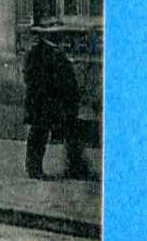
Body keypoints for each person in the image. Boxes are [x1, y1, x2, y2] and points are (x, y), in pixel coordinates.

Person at [23, 31, 96, 180]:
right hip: (46, 101)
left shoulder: (42, 52)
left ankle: (74, 167)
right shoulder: (49, 54)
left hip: (47, 101)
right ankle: (36, 169)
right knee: (43, 132)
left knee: (64, 132)